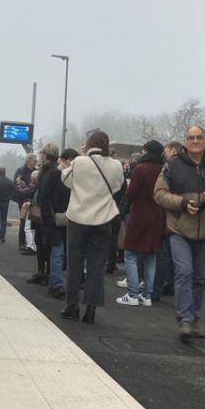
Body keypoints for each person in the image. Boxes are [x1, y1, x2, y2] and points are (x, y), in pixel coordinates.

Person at [154, 125, 205, 341]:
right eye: (191, 138)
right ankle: (185, 318)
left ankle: (194, 317)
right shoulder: (171, 166)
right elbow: (159, 194)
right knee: (184, 272)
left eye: (199, 137)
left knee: (199, 278)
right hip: (179, 229)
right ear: (185, 141)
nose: (195, 141)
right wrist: (181, 203)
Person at [59, 131, 124, 325]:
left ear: (88, 144)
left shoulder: (80, 162)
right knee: (97, 265)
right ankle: (91, 308)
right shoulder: (116, 165)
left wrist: (81, 157)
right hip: (103, 219)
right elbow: (118, 186)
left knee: (75, 263)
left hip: (78, 218)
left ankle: (72, 305)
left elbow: (65, 179)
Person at [116, 141, 164, 307]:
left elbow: (131, 193)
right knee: (151, 255)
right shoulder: (164, 169)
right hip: (158, 215)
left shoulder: (141, 169)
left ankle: (132, 293)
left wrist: (122, 211)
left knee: (131, 254)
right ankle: (147, 294)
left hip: (139, 215)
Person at [38, 148, 76, 299]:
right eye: (70, 160)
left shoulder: (70, 175)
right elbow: (44, 196)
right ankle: (56, 284)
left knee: (63, 252)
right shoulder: (55, 174)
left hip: (69, 218)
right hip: (56, 218)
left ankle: (57, 282)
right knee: (59, 251)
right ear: (63, 159)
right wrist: (49, 215)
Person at [27, 145, 61, 286]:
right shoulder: (46, 170)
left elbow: (48, 194)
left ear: (46, 155)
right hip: (41, 212)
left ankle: (46, 273)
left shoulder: (52, 172)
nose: (41, 155)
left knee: (46, 244)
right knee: (40, 242)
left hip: (46, 214)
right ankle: (42, 271)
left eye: (42, 153)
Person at [14, 155, 39, 254]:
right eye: (34, 161)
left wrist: (27, 186)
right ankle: (22, 243)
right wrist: (22, 187)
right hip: (23, 199)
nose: (35, 162)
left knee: (33, 221)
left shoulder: (36, 170)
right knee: (23, 220)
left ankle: (32, 243)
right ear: (28, 161)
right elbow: (17, 183)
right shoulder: (20, 171)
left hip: (32, 198)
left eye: (36, 161)